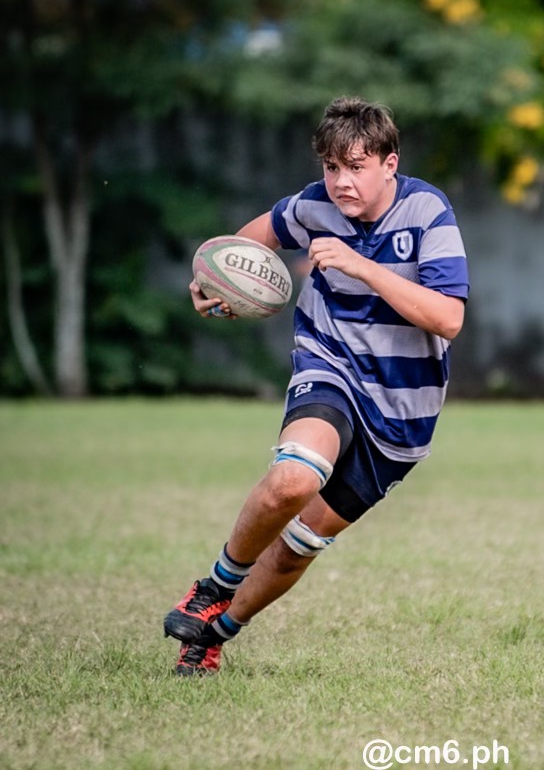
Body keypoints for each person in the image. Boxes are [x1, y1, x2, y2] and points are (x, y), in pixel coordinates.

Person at [164, 96, 470, 675]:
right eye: (331, 167)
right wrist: (215, 284)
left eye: (356, 167)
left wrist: (361, 266)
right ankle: (211, 588)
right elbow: (248, 243)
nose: (341, 182)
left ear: (389, 163)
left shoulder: (428, 212)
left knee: (301, 543)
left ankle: (215, 633)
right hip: (330, 364)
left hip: (403, 412)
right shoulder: (311, 207)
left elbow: (449, 318)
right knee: (292, 480)